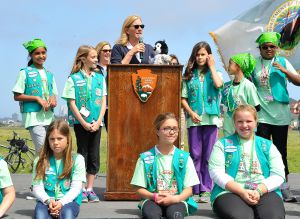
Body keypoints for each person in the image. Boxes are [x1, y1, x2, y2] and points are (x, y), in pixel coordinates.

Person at [209, 105, 286, 219]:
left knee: (273, 216)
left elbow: (279, 175)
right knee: (241, 217)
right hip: (230, 191)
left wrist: (259, 190)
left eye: (249, 121)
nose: (244, 125)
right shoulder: (222, 144)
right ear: (234, 123)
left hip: (264, 191)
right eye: (240, 121)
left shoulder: (268, 145)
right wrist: (242, 192)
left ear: (256, 122)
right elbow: (216, 172)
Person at [251, 32, 300, 202]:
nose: (269, 49)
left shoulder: (283, 61)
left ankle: (284, 187)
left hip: (280, 114)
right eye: (265, 47)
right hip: (261, 114)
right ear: (260, 49)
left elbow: (298, 81)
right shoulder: (254, 63)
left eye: (272, 46)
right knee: (262, 151)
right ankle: (263, 186)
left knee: (280, 152)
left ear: (277, 48)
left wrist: (285, 71)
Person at [130, 112, 199, 219]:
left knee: (175, 216)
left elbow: (189, 189)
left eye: (175, 128)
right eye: (166, 128)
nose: (171, 132)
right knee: (152, 216)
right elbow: (139, 189)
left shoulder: (185, 158)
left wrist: (176, 198)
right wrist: (153, 196)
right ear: (157, 131)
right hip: (153, 199)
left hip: (177, 199)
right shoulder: (145, 158)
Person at [62, 45, 107, 203]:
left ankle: (90, 188)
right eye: (93, 57)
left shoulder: (100, 78)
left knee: (94, 155)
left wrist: (99, 121)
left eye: (96, 57)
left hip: (96, 123)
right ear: (83, 58)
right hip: (80, 123)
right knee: (82, 154)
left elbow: (103, 102)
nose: (96, 60)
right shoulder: (73, 79)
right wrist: (84, 123)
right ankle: (80, 188)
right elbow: (72, 103)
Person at [181, 41, 223, 203]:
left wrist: (212, 66)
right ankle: (195, 187)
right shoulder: (189, 75)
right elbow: (183, 98)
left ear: (209, 56)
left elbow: (219, 85)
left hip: (211, 119)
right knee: (196, 155)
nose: (200, 57)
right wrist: (191, 113)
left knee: (208, 156)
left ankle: (207, 188)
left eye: (203, 54)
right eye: (197, 54)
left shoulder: (215, 72)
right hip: (194, 121)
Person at [32, 120, 86, 219]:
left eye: (60, 138)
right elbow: (37, 188)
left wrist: (61, 203)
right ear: (47, 141)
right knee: (40, 216)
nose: (55, 142)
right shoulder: (39, 160)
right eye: (52, 139)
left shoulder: (78, 160)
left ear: (68, 139)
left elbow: (76, 188)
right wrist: (48, 201)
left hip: (69, 202)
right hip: (46, 200)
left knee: (67, 215)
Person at [12, 38, 58, 153]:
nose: (41, 56)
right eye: (37, 53)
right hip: (33, 118)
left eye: (43, 53)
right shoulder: (24, 72)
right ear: (30, 55)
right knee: (42, 150)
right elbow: (17, 96)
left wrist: (53, 100)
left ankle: (45, 170)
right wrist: (37, 98)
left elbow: (53, 94)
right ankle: (40, 170)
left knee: (52, 150)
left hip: (49, 117)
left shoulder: (49, 74)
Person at [222, 53, 260, 136]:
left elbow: (256, 107)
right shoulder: (226, 86)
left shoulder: (248, 85)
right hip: (228, 128)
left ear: (238, 66)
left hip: (244, 129)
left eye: (230, 63)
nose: (228, 66)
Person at [95, 41, 111, 130]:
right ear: (99, 52)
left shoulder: (113, 68)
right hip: (97, 106)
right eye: (105, 51)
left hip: (111, 107)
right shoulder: (93, 69)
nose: (108, 53)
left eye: (109, 50)